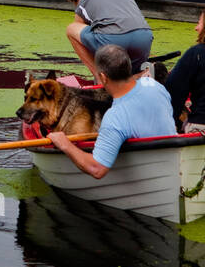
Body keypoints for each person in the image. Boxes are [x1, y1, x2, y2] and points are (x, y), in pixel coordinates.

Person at [48, 44, 175, 180]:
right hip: (172, 162)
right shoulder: (154, 85)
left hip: (150, 171)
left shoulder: (115, 117)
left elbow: (97, 169)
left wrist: (64, 144)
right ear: (128, 68)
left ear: (103, 77)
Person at [65, 0, 154, 77]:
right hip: (144, 38)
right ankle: (141, 75)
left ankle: (100, 78)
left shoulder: (83, 0)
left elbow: (80, 26)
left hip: (113, 41)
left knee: (71, 29)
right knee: (130, 76)